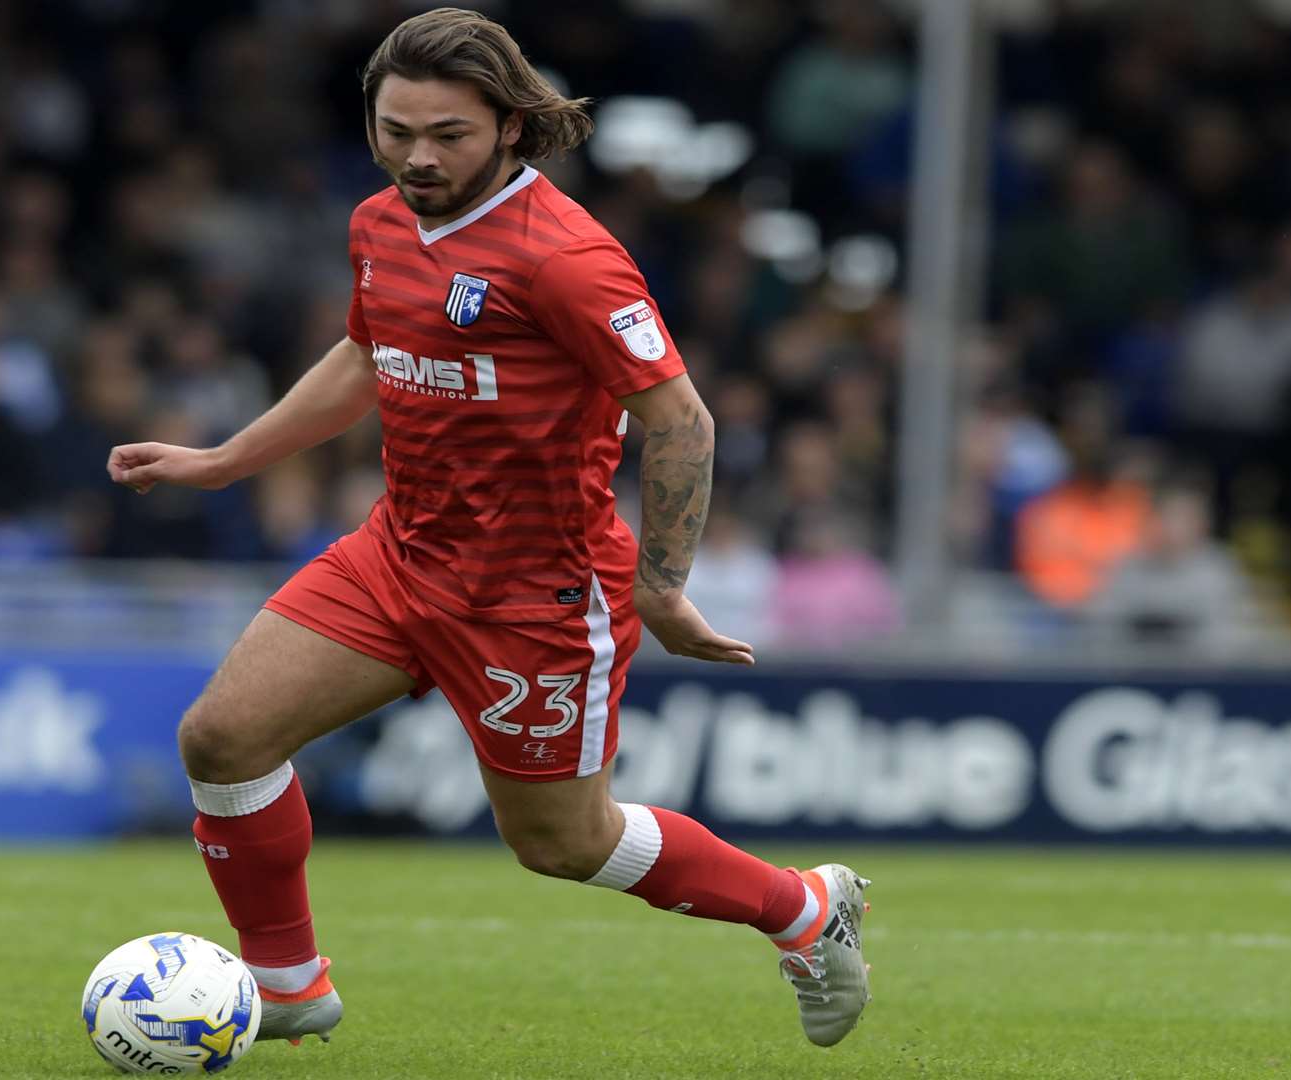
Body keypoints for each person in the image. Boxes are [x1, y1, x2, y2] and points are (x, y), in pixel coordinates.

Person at [106, 7, 870, 1051]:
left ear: (510, 125)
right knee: (223, 738)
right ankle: (287, 985)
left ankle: (803, 910)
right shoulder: (380, 221)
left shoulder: (564, 258)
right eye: (396, 130)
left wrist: (659, 589)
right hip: (400, 556)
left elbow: (681, 418)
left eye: (447, 135)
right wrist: (226, 458)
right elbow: (367, 354)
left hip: (537, 595)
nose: (417, 157)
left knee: (564, 843)